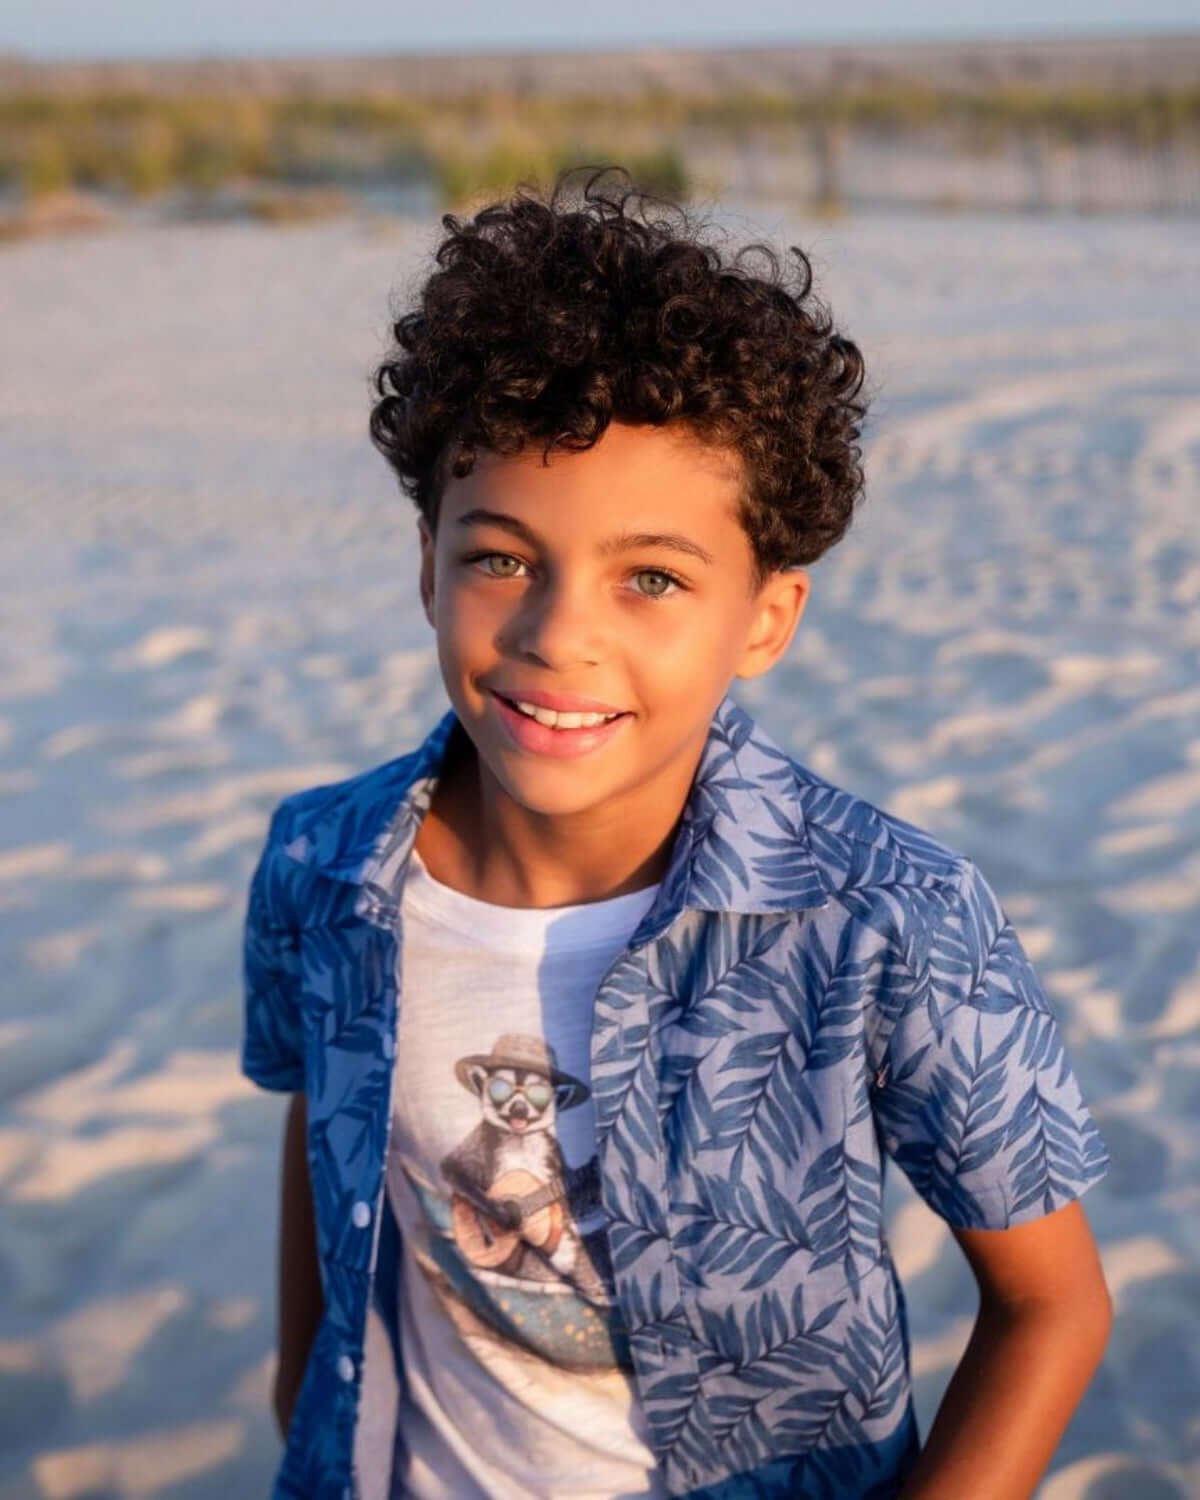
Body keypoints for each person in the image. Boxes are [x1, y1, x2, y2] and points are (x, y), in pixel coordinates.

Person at [241, 166, 1112, 1500]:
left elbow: (1053, 1307)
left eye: (651, 578)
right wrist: (305, 1397)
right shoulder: (320, 862)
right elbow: (322, 1124)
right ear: (427, 562)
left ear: (767, 617)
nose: (555, 635)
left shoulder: (888, 916)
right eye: (500, 558)